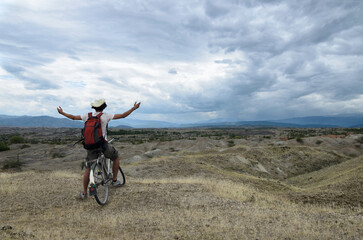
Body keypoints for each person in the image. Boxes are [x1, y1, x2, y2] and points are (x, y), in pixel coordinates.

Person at [57, 99, 141, 199]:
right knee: (115, 157)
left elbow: (73, 117)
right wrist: (134, 108)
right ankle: (114, 180)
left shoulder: (87, 115)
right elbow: (123, 115)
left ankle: (84, 193)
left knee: (88, 168)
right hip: (102, 144)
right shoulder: (106, 116)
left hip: (90, 146)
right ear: (104, 107)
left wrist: (62, 113)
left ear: (93, 107)